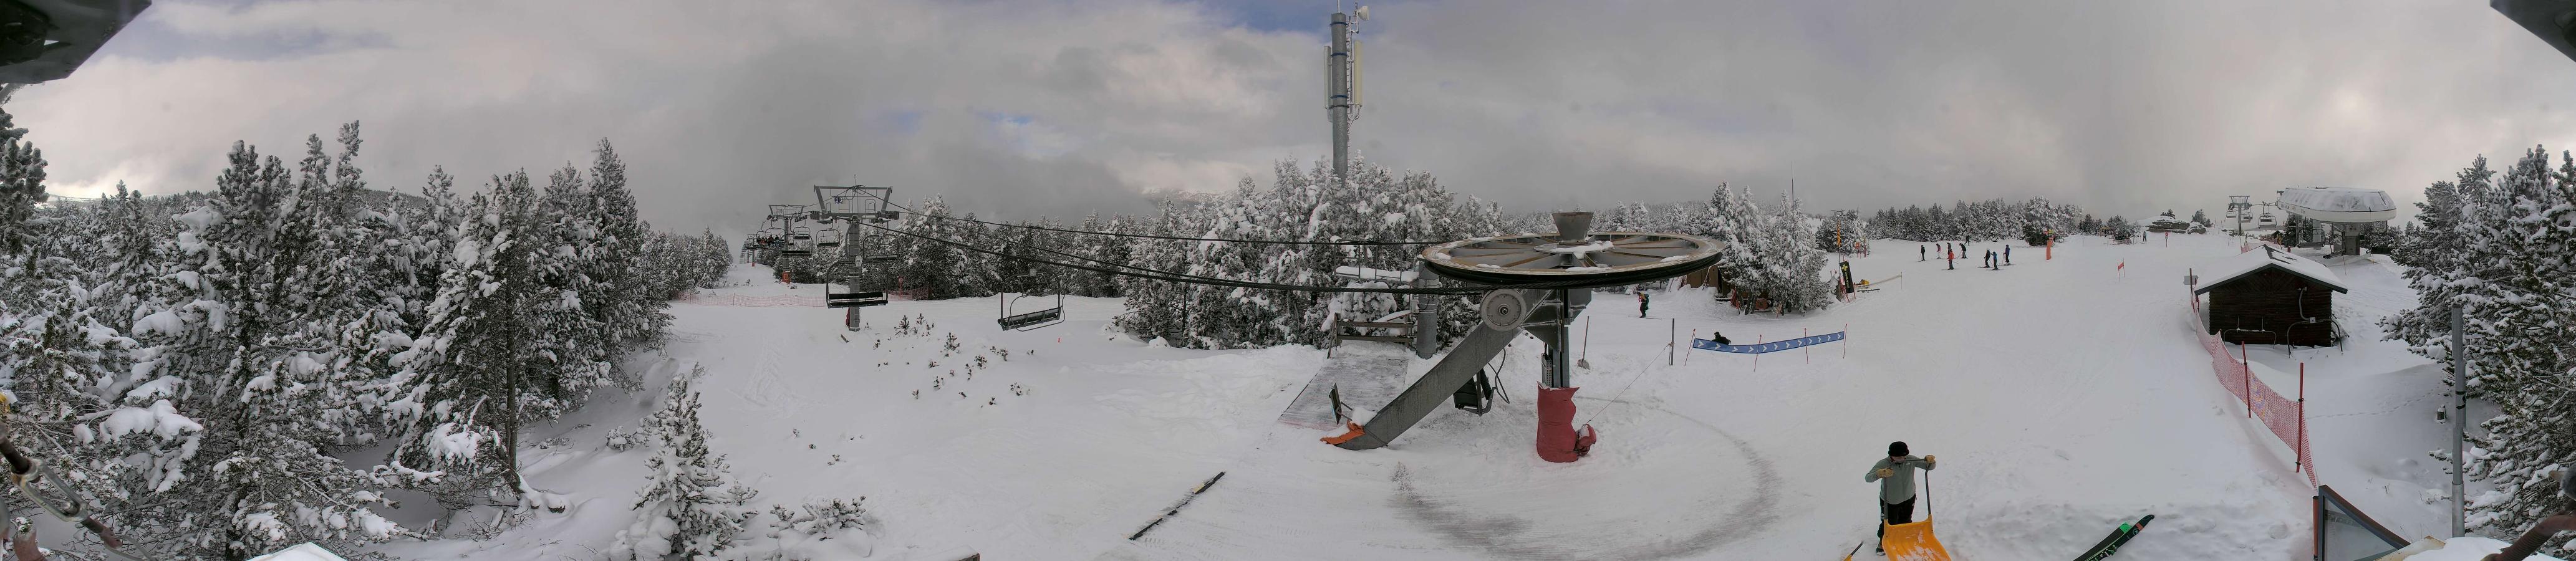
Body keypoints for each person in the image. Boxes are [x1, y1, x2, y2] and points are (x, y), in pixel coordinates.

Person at [1866, 441, 1937, 555]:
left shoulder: (1910, 459)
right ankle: (1883, 542)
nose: (1903, 459)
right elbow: (1868, 478)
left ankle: (1902, 538)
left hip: (1909, 496)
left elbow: (1929, 467)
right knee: (1889, 522)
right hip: (1890, 500)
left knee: (1906, 519)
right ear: (1891, 455)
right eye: (1899, 457)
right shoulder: (1884, 463)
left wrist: (1931, 461)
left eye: (1904, 456)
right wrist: (1879, 473)